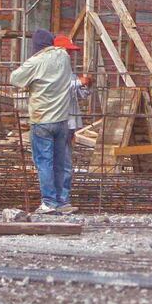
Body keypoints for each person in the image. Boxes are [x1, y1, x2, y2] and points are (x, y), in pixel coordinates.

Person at [10, 29, 75, 215]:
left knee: (44, 162)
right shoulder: (64, 57)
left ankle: (49, 202)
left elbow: (15, 79)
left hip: (42, 120)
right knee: (61, 162)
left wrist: (31, 80)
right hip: (62, 120)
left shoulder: (36, 61)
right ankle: (63, 201)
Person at [53, 34, 92, 215]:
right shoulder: (54, 72)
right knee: (61, 163)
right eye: (67, 51)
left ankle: (61, 198)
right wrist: (78, 82)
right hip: (60, 121)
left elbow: (81, 95)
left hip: (70, 124)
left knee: (65, 163)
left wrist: (86, 86)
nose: (69, 55)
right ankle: (58, 200)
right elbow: (59, 87)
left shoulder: (69, 72)